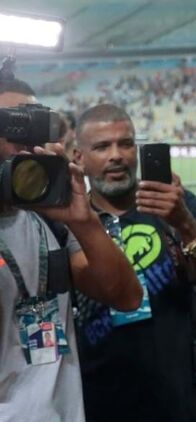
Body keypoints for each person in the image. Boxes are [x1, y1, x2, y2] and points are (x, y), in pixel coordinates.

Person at [73, 104, 196, 422]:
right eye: (102, 147)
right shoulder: (71, 222)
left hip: (180, 401)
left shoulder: (177, 204)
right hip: (98, 402)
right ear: (79, 158)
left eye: (125, 144)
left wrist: (184, 222)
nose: (116, 156)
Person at [0, 79, 142, 422]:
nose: (27, 141)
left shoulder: (52, 218)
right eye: (13, 124)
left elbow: (125, 296)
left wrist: (85, 222)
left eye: (36, 123)